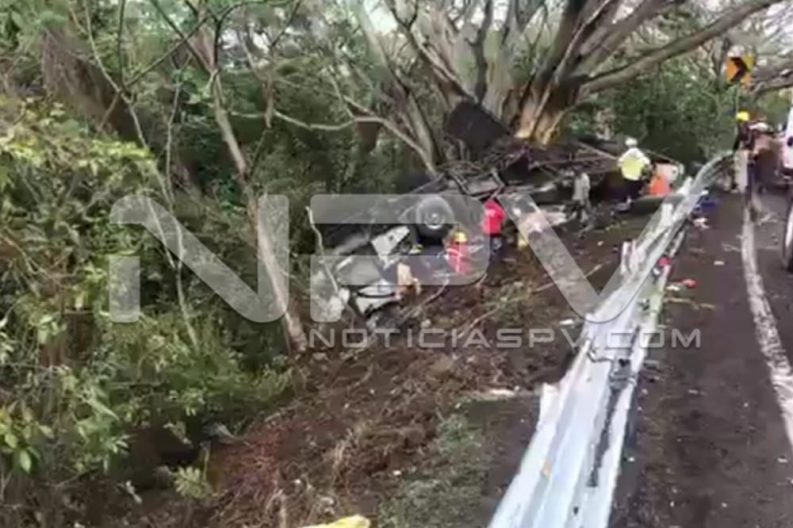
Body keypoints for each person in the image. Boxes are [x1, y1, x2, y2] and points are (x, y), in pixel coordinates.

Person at [617, 137, 651, 207]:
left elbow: (620, 163)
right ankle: (634, 202)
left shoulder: (627, 154)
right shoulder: (638, 153)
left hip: (628, 177)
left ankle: (626, 204)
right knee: (634, 192)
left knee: (626, 191)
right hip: (637, 177)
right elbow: (647, 162)